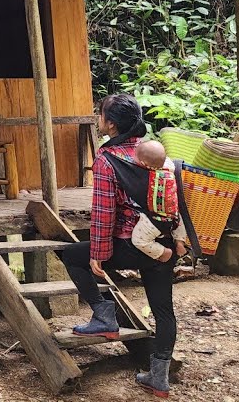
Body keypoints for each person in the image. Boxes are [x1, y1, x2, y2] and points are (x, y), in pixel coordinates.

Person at [57, 94, 183, 398]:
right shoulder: (155, 153)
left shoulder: (106, 159)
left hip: (128, 244)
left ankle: (104, 315)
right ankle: (159, 377)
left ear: (110, 124)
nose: (98, 118)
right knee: (163, 309)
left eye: (100, 114)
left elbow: (103, 213)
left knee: (72, 256)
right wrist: (178, 240)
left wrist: (99, 254)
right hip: (163, 240)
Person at [130, 140, 188, 264]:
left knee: (139, 240)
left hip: (155, 220)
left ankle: (162, 253)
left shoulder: (146, 177)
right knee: (179, 218)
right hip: (174, 216)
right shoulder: (169, 168)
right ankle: (180, 242)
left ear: (143, 164)